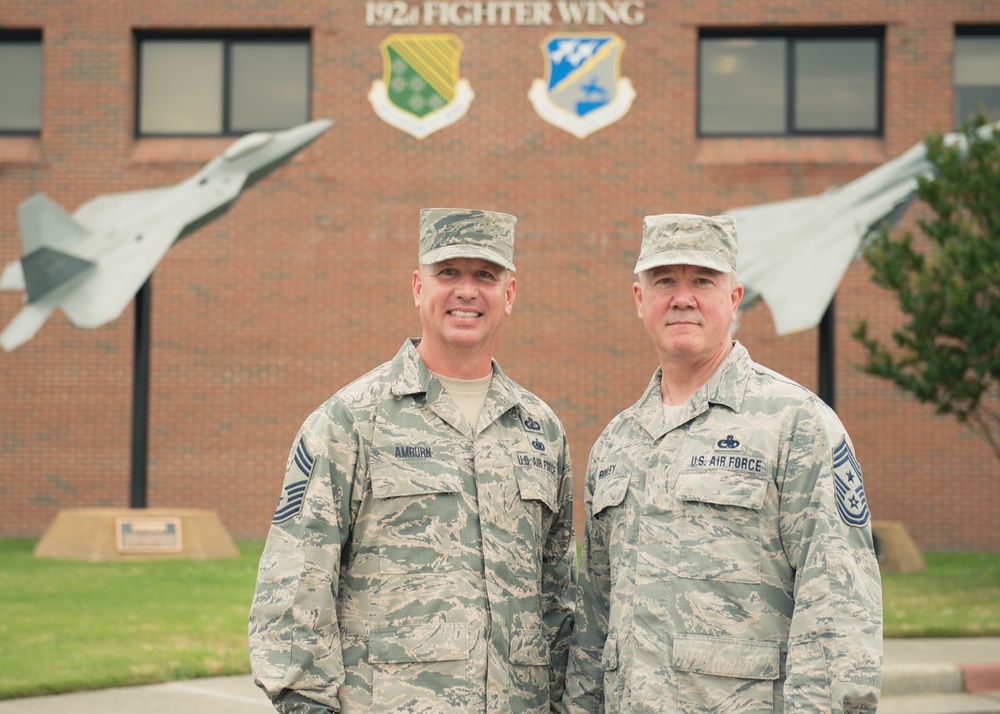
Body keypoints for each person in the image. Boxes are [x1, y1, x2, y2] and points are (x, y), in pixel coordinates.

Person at [249, 208, 576, 714]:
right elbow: (295, 581)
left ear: (508, 295)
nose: (466, 290)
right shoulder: (351, 421)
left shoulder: (540, 430)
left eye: (484, 275)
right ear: (418, 287)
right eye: (448, 273)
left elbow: (558, 597)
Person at [561, 214, 882, 713]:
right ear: (639, 300)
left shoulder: (796, 424)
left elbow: (840, 608)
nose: (682, 297)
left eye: (703, 281)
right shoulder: (615, 445)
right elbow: (594, 620)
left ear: (734, 299)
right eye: (664, 280)